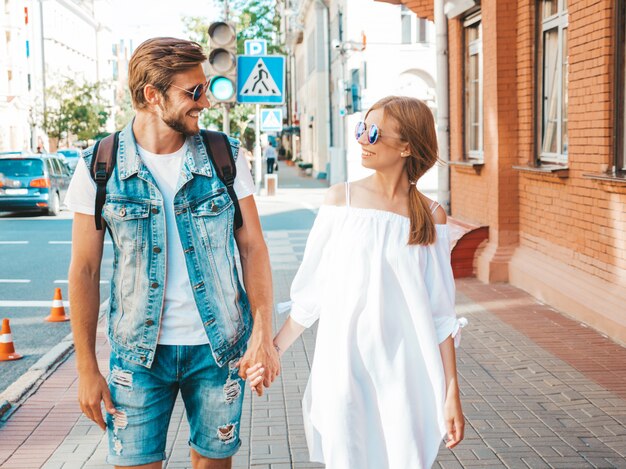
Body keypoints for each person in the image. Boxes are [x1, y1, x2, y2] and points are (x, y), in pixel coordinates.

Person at [65, 37, 280, 469]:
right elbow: (84, 271)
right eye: (193, 92)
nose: (205, 102)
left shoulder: (226, 157)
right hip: (137, 355)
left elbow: (253, 248)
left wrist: (262, 332)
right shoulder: (98, 166)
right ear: (152, 95)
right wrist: (87, 368)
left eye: (204, 89)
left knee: (214, 463)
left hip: (218, 350)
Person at [246, 96, 466, 468]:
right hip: (344, 368)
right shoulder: (341, 200)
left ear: (407, 146)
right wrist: (272, 354)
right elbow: (311, 296)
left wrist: (451, 392)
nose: (363, 139)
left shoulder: (431, 215)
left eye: (374, 131)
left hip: (407, 373)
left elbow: (441, 314)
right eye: (361, 128)